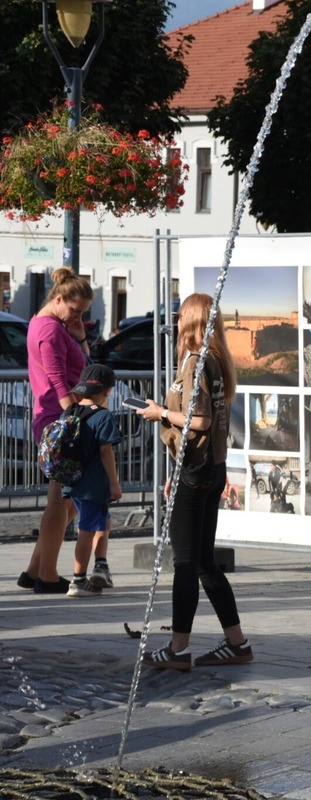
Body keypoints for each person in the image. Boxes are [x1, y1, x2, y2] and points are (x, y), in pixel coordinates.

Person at [137, 293, 251, 670]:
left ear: (190, 321)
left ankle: (177, 648)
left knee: (185, 562)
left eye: (181, 315)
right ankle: (237, 643)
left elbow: (197, 421)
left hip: (198, 469)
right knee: (204, 561)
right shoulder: (218, 360)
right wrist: (175, 472)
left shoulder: (196, 362)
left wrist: (159, 412)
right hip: (210, 467)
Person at [20, 268, 93, 595]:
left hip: (55, 417)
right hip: (58, 419)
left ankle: (36, 569)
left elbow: (82, 366)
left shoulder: (47, 323)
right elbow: (56, 378)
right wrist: (72, 414)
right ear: (58, 298)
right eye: (74, 310)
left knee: (67, 500)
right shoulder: (49, 329)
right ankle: (46, 575)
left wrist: (79, 336)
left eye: (82, 313)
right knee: (61, 499)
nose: (76, 316)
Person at [61, 365, 123, 598]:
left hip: (73, 483)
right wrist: (114, 483)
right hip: (94, 484)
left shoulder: (69, 411)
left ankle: (101, 566)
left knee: (103, 521)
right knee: (86, 529)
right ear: (107, 391)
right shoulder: (103, 416)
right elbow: (106, 451)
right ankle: (77, 581)